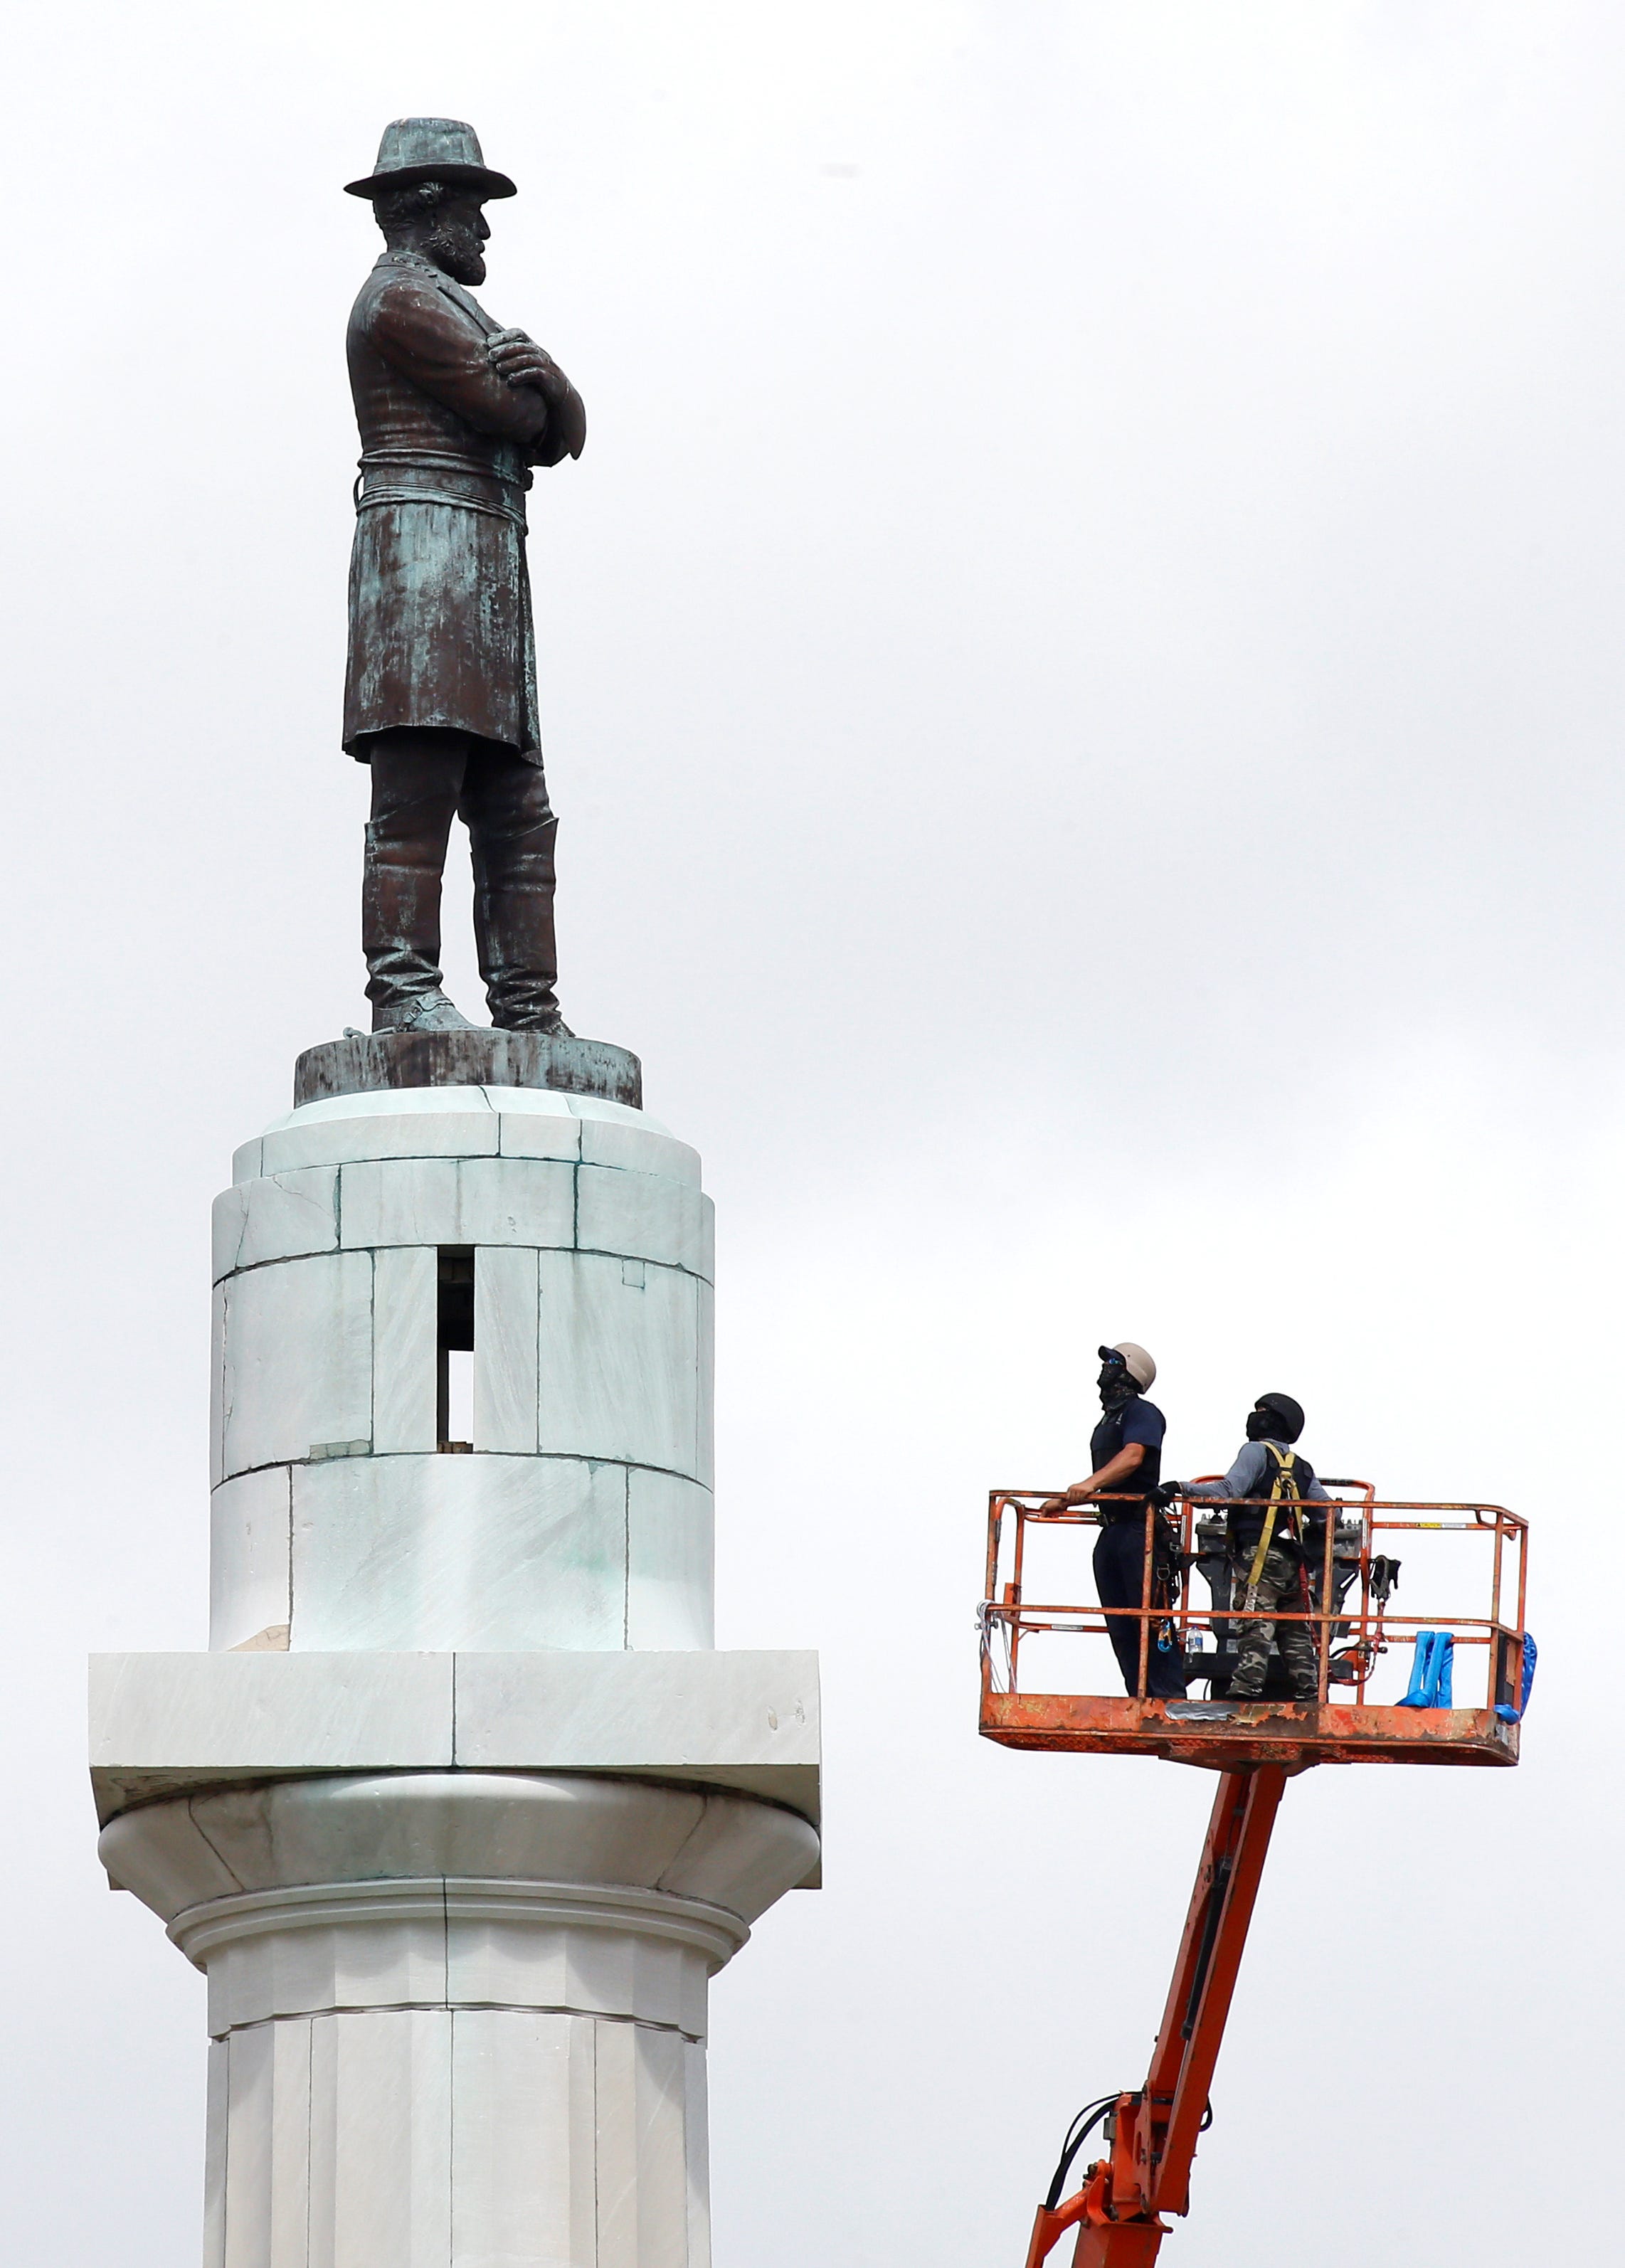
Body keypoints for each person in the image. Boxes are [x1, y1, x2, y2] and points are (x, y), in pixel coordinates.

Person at [343, 118, 588, 1035]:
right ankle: (404, 992)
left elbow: (558, 435)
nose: (486, 231)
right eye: (475, 211)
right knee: (418, 789)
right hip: (420, 571)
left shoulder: (445, 298)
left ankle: (529, 1009)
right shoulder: (403, 302)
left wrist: (556, 390)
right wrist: (550, 392)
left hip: (482, 571)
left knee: (517, 806)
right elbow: (514, 413)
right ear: (428, 206)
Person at [1044, 1343, 1187, 1700]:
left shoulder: (1143, 1413)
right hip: (1112, 1530)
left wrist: (1088, 1486)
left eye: (1112, 1362)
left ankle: (1169, 1698)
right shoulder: (1109, 1419)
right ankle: (1140, 1695)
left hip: (1140, 1530)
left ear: (1129, 1372)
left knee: (1150, 1619)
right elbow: (1107, 1473)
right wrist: (1065, 1500)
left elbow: (1133, 1456)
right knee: (1121, 1624)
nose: (1105, 1368)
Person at [1183, 1392, 1332, 1702]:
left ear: (1273, 1421)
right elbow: (1329, 1512)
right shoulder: (1301, 1468)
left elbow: (1226, 1492)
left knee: (1255, 1617)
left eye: (1261, 1411)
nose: (1255, 1416)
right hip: (1293, 1560)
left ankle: (1246, 1688)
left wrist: (1180, 1489)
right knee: (1294, 1627)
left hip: (1259, 1556)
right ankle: (1310, 1691)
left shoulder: (1254, 1452)